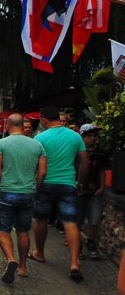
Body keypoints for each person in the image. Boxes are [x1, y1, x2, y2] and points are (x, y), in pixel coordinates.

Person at [30, 106, 89, 281]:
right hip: (68, 183)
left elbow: (36, 164)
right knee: (70, 222)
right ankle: (74, 262)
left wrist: (35, 184)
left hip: (46, 183)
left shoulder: (40, 138)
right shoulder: (75, 136)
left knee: (40, 219)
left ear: (43, 120)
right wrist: (80, 182)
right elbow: (85, 162)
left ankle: (39, 253)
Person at [0, 114, 47, 282]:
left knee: (3, 229)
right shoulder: (37, 144)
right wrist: (34, 187)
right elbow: (43, 171)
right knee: (23, 230)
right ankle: (22, 267)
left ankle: (10, 258)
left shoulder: (1, 144)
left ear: (7, 125)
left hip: (6, 191)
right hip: (28, 192)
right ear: (23, 126)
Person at [77, 124, 108, 259]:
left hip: (94, 190)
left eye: (95, 136)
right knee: (77, 220)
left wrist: (102, 187)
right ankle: (77, 244)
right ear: (83, 137)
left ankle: (91, 242)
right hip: (79, 190)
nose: (93, 139)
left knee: (94, 219)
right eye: (89, 136)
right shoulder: (77, 152)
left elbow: (102, 170)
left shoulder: (101, 153)